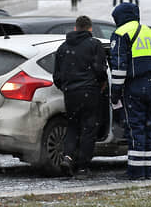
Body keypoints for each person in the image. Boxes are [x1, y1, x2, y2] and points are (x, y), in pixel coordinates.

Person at [109, 3, 151, 180]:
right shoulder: (149, 32)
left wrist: (115, 92)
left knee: (134, 129)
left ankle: (135, 173)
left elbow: (118, 67)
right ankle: (147, 171)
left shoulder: (121, 33)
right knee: (148, 128)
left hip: (134, 86)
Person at [53, 15, 108, 179]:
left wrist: (65, 87)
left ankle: (68, 157)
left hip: (70, 93)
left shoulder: (63, 47)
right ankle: (83, 167)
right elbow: (100, 70)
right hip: (89, 92)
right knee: (89, 129)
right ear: (90, 29)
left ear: (75, 28)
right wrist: (100, 84)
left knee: (72, 127)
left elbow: (57, 76)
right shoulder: (94, 45)